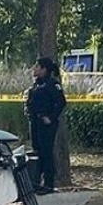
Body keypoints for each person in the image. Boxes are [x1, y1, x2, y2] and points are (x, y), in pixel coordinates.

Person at [25, 56, 68, 195]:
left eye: (37, 67)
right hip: (35, 121)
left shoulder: (52, 84)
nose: (35, 69)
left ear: (44, 69)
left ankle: (49, 183)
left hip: (46, 124)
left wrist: (50, 117)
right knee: (37, 151)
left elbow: (61, 102)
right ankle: (37, 181)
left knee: (46, 152)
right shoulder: (36, 84)